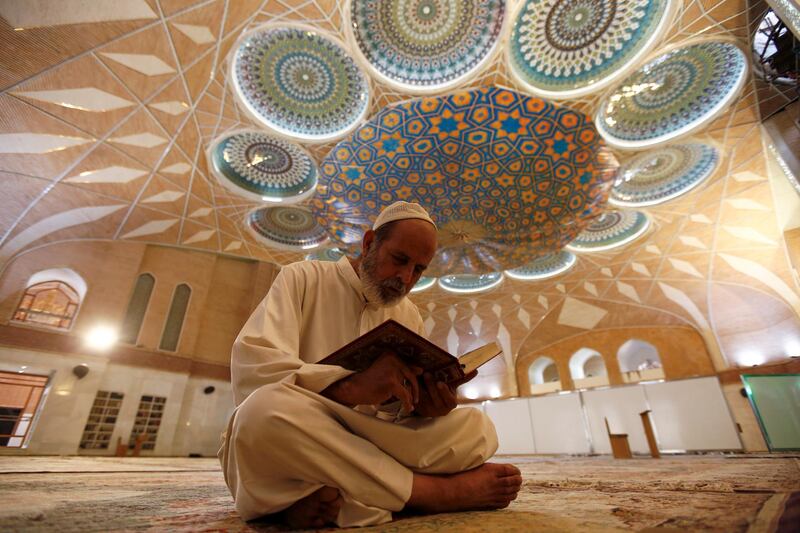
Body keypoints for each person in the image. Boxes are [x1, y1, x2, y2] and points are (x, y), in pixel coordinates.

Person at [218, 201, 522, 528]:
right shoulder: (302, 278)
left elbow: (394, 416)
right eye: (399, 260)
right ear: (368, 244)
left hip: (371, 439)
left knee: (477, 429)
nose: (405, 278)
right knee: (260, 414)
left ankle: (322, 499)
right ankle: (431, 493)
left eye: (418, 270)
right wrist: (349, 387)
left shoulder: (408, 315)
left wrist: (423, 407)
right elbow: (256, 369)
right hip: (305, 428)